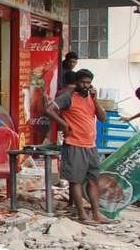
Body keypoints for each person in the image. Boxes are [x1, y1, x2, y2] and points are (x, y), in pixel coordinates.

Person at [46, 69, 108, 223]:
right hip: (74, 144)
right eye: (83, 82)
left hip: (90, 145)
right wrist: (63, 124)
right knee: (76, 181)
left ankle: (96, 214)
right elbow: (48, 109)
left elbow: (103, 118)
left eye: (88, 83)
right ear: (77, 82)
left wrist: (95, 100)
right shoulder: (68, 97)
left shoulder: (91, 98)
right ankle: (82, 214)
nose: (86, 85)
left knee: (93, 181)